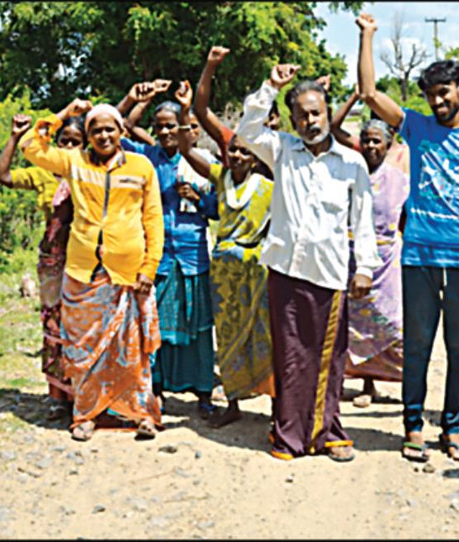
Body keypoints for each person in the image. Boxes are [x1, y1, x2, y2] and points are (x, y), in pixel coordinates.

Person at [357, 13, 459, 462]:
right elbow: (369, 93)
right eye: (430, 95)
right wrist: (367, 35)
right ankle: (412, 425)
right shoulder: (417, 128)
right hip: (419, 254)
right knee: (419, 344)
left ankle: (454, 426)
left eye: (444, 92)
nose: (437, 101)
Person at [236, 62, 381, 462]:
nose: (310, 120)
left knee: (327, 358)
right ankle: (288, 435)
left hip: (330, 275)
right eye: (301, 114)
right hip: (285, 270)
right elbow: (246, 131)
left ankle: (327, 432)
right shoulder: (281, 149)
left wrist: (365, 267)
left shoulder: (351, 163)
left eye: (316, 112)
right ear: (292, 118)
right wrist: (269, 86)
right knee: (289, 355)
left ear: (328, 111)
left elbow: (362, 220)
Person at [20, 99, 164, 441]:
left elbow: (153, 220)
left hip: (128, 271)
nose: (103, 135)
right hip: (83, 272)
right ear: (88, 135)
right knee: (82, 348)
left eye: (109, 129)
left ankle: (141, 413)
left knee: (131, 348)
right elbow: (30, 146)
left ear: (122, 132)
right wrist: (64, 113)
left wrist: (150, 266)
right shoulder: (74, 161)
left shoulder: (141, 166)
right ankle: (86, 414)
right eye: (95, 130)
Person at [185, 47, 278, 427]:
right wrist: (208, 68)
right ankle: (235, 404)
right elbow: (192, 143)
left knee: (264, 335)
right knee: (228, 334)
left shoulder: (271, 183)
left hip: (257, 269)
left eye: (244, 152)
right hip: (224, 269)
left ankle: (276, 408)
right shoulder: (221, 179)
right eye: (232, 151)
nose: (237, 156)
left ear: (256, 157)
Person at [117, 81, 220, 419]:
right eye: (159, 126)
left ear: (184, 127)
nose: (164, 131)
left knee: (198, 324)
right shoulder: (147, 159)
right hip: (158, 255)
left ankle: (203, 393)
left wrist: (199, 199)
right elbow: (119, 131)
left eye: (170, 125)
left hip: (193, 254)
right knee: (156, 322)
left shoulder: (201, 161)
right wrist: (138, 100)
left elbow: (220, 208)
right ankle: (155, 390)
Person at [0, 113, 86, 420]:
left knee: (82, 327)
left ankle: (83, 395)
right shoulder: (43, 173)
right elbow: (2, 176)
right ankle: (57, 396)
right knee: (53, 327)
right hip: (52, 260)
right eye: (65, 142)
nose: (70, 147)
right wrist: (15, 137)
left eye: (77, 142)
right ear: (56, 144)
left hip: (85, 259)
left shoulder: (89, 172)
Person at [341, 119, 410, 408]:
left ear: (387, 143)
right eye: (366, 140)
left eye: (376, 141)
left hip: (386, 260)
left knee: (387, 322)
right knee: (350, 323)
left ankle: (376, 385)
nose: (370, 146)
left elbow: (405, 216)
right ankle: (351, 382)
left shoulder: (399, 178)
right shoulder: (351, 174)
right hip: (351, 256)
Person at [330, 85, 410, 176]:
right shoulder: (367, 148)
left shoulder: (407, 154)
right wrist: (354, 97)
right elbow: (333, 128)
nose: (371, 145)